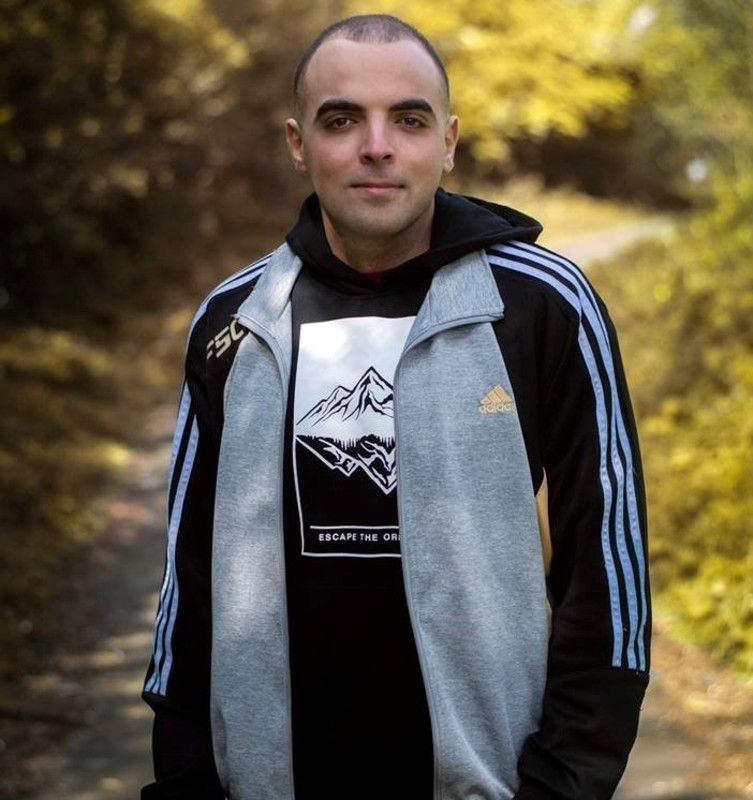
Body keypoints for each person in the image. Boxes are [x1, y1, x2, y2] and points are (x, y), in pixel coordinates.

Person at [141, 13, 650, 800]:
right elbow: (189, 581)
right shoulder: (235, 320)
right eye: (340, 120)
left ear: (447, 142)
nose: (375, 146)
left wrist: (562, 782)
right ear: (297, 143)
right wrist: (184, 780)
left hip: (485, 781)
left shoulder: (542, 303)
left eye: (408, 120)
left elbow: (605, 572)